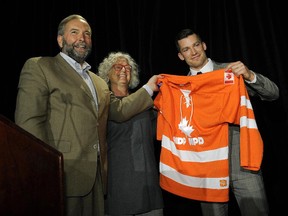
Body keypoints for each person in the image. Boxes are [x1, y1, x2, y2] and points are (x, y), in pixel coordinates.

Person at [14, 14, 161, 216]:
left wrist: (149, 88)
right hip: (62, 175)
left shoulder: (98, 82)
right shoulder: (41, 66)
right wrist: (43, 170)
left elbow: (119, 111)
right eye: (74, 32)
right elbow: (28, 124)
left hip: (97, 180)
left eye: (87, 34)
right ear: (60, 39)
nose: (82, 38)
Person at [173, 28, 279, 216]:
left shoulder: (231, 71)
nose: (194, 52)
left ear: (204, 45)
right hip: (207, 171)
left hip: (242, 165)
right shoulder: (179, 88)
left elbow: (273, 93)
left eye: (196, 45)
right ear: (181, 56)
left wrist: (249, 75)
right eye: (187, 49)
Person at [98, 51, 164, 216]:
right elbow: (123, 110)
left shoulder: (146, 104)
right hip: (118, 189)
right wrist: (148, 88)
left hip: (149, 188)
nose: (123, 70)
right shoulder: (104, 103)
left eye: (127, 68)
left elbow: (160, 132)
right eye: (118, 67)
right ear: (107, 73)